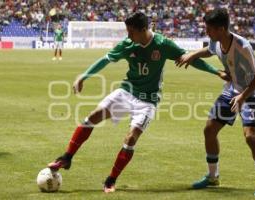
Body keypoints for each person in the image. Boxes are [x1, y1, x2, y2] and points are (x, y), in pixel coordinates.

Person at [48, 12, 228, 193]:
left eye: (131, 32)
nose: (128, 36)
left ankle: (111, 180)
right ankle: (67, 157)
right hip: (127, 91)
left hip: (148, 101)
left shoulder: (162, 45)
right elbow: (105, 60)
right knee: (92, 117)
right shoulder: (128, 44)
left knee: (131, 138)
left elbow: (190, 60)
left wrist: (216, 72)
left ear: (144, 30)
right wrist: (84, 76)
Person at [176, 8, 255, 196]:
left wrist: (243, 96)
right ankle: (213, 177)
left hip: (249, 92)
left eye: (209, 29)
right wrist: (192, 54)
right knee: (209, 130)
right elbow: (210, 50)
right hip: (231, 91)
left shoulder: (242, 46)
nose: (206, 32)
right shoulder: (216, 41)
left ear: (221, 29)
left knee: (250, 137)